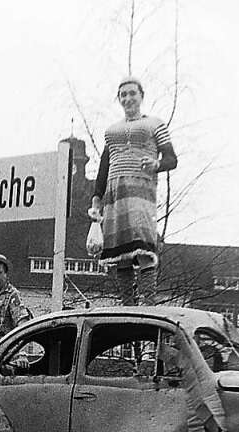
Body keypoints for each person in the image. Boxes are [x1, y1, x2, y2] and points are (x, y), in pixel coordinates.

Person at [89, 76, 177, 306]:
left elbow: (171, 158)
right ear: (119, 99)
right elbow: (104, 166)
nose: (128, 98)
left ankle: (148, 303)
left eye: (132, 93)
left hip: (141, 193)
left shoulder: (155, 124)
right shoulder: (112, 131)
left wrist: (157, 164)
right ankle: (128, 304)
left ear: (141, 96)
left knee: (143, 248)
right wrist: (96, 200)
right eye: (123, 95)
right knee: (121, 255)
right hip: (115, 195)